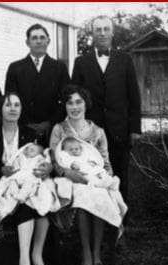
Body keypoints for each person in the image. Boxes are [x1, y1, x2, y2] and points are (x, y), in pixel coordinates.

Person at [49, 84, 128, 265]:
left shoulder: (98, 131)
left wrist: (104, 178)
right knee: (84, 199)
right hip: (70, 180)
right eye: (70, 103)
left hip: (95, 179)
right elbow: (53, 160)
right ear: (65, 106)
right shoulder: (59, 129)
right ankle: (86, 253)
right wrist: (68, 173)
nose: (74, 107)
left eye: (78, 102)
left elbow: (105, 161)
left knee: (99, 195)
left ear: (86, 104)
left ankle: (96, 254)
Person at [0, 93, 56, 265]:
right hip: (3, 182)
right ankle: (24, 261)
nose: (13, 109)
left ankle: (36, 253)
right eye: (8, 105)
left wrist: (47, 168)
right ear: (1, 108)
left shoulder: (29, 133)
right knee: (25, 204)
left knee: (40, 200)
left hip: (29, 181)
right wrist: (1, 171)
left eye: (17, 105)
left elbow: (43, 158)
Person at [71, 15, 141, 203]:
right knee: (93, 173)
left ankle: (120, 220)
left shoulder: (125, 60)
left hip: (120, 129)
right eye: (98, 29)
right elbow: (74, 99)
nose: (102, 33)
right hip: (90, 130)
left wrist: (135, 129)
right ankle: (98, 219)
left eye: (106, 29)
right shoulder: (81, 62)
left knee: (119, 175)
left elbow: (134, 96)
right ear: (92, 34)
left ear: (112, 32)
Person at [5, 24, 70, 143]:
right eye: (34, 38)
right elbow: (10, 99)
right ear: (27, 42)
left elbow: (66, 99)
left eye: (42, 37)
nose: (39, 41)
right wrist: (27, 124)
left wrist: (49, 123)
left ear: (48, 41)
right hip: (23, 129)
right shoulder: (15, 68)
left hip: (52, 130)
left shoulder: (59, 67)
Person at [0, 142, 59, 219]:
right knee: (11, 183)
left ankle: (21, 196)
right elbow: (13, 164)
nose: (28, 151)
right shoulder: (20, 156)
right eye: (27, 149)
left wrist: (40, 170)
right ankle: (2, 207)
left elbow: (43, 167)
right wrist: (13, 168)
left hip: (30, 177)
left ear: (39, 154)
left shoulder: (39, 159)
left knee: (28, 185)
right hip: (18, 176)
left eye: (32, 150)